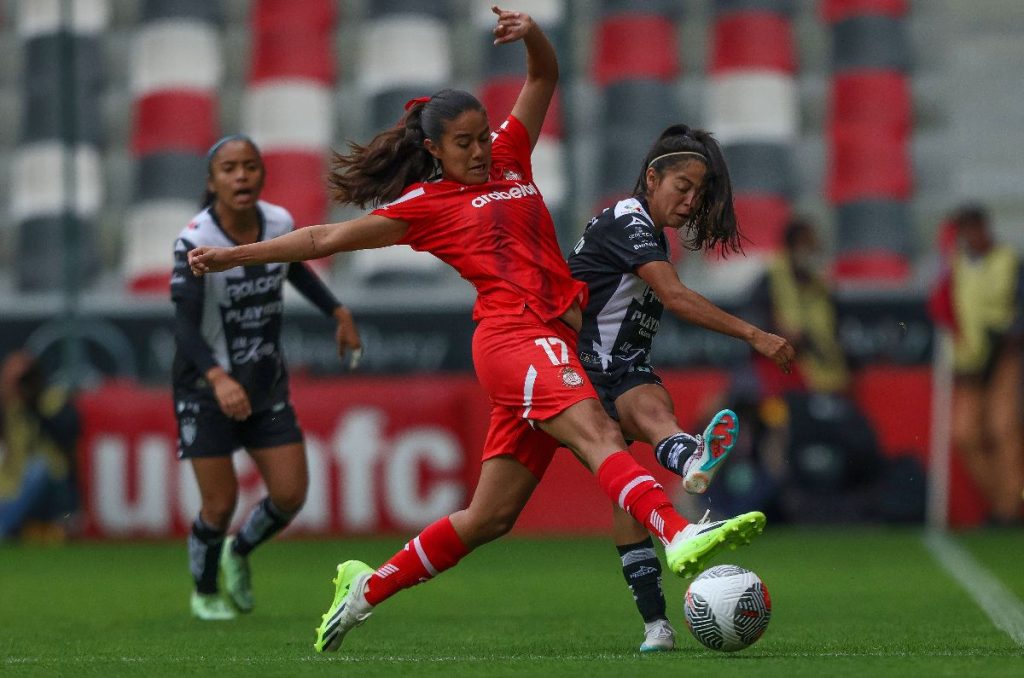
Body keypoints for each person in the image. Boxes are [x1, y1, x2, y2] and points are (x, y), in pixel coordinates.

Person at [189, 7, 768, 652]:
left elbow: (545, 75)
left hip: (546, 341)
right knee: (601, 433)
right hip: (513, 337)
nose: (479, 150)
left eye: (482, 137)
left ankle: (364, 589)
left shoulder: (512, 157)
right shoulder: (426, 205)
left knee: (489, 517)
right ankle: (679, 531)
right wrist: (231, 255)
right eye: (463, 143)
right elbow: (324, 236)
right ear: (433, 149)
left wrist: (533, 34)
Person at [567, 124, 795, 651]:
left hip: (620, 368)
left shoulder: (649, 229)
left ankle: (656, 626)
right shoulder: (629, 220)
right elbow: (674, 297)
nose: (691, 201)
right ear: (652, 177)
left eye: (699, 192)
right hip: (580, 372)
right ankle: (689, 458)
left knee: (630, 486)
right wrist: (755, 335)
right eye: (682, 188)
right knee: (495, 514)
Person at [171, 134, 363, 620]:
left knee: (290, 494)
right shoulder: (196, 240)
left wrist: (337, 311)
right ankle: (205, 592)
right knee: (219, 505)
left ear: (261, 174)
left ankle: (239, 552)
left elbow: (295, 269)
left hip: (264, 382)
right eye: (230, 169)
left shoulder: (277, 223)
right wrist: (217, 378)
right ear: (212, 181)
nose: (241, 176)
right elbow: (183, 326)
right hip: (205, 388)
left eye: (250, 167)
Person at [931, 204, 1023, 525]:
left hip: (1003, 356)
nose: (969, 237)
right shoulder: (955, 265)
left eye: (973, 229)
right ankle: (1001, 501)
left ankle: (1010, 508)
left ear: (985, 228)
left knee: (1003, 429)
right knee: (965, 434)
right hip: (969, 360)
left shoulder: (1009, 261)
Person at [0, 351, 79, 542]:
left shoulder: (50, 399)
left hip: (50, 488)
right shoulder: (7, 410)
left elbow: (67, 431)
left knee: (38, 467)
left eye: (20, 379)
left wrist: (34, 400)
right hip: (10, 489)